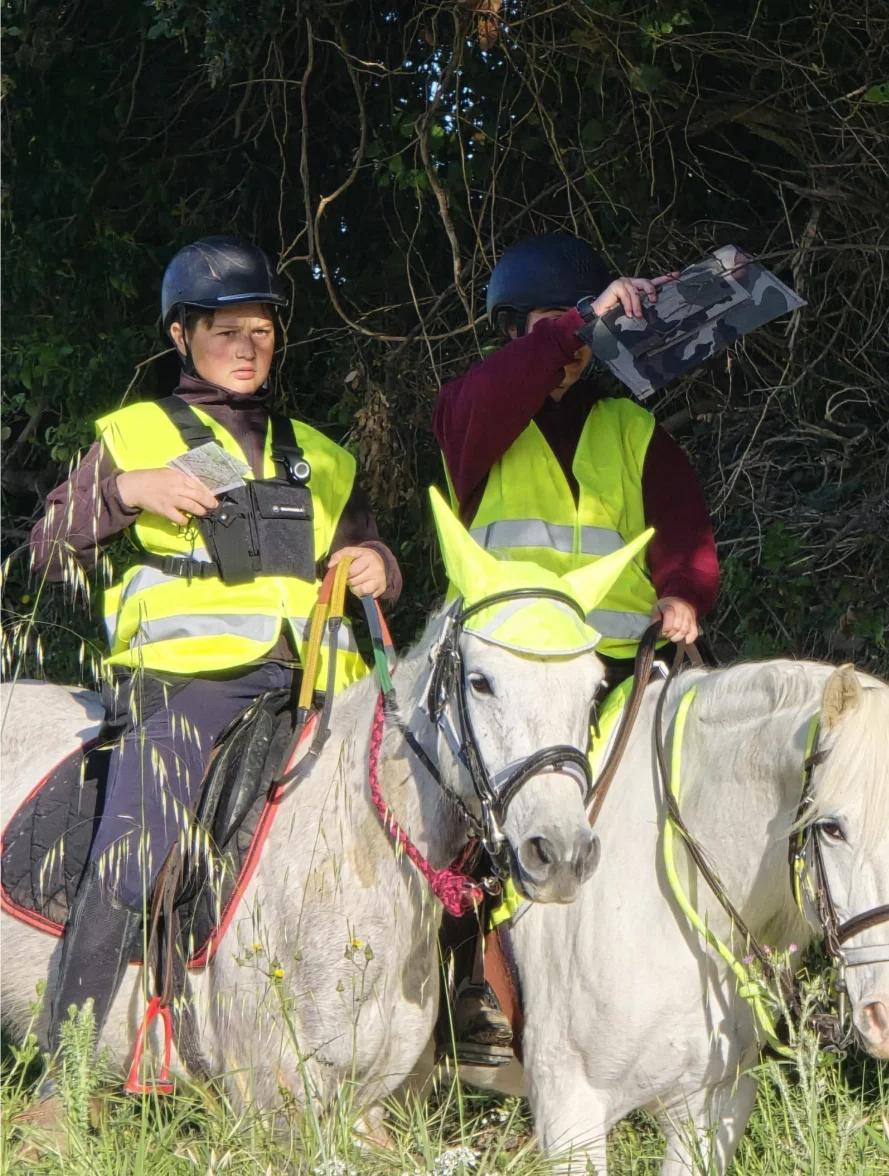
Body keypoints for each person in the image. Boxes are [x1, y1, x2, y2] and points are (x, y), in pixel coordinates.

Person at [29, 236, 402, 1073]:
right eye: (226, 331)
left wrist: (381, 566)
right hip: (183, 687)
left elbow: (370, 553)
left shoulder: (318, 454)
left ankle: (392, 1064)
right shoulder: (138, 434)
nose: (246, 348)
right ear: (180, 337)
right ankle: (66, 1076)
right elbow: (50, 542)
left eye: (261, 332)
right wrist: (129, 492)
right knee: (136, 854)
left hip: (314, 690)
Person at [432, 232, 718, 1056]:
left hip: (617, 667)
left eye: (584, 337)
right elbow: (497, 390)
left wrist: (682, 593)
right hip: (505, 674)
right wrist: (568, 325)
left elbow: (682, 528)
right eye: (557, 333)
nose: (572, 353)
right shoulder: (472, 417)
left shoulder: (630, 427)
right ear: (520, 331)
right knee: (468, 814)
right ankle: (473, 991)